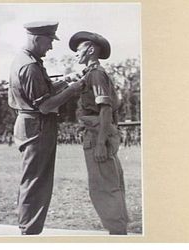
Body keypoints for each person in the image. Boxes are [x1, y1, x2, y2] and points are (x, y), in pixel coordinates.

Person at [8, 21, 85, 235]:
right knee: (35, 182)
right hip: (37, 127)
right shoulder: (30, 66)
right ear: (37, 38)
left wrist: (66, 81)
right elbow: (45, 105)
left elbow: (43, 92)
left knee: (34, 180)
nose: (51, 46)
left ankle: (29, 229)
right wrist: (73, 89)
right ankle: (29, 232)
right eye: (50, 40)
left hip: (33, 125)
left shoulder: (28, 60)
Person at [69, 31, 129, 235]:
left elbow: (105, 109)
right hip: (97, 134)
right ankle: (118, 230)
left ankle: (117, 233)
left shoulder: (95, 74)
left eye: (78, 50)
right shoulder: (91, 73)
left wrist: (102, 142)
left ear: (91, 50)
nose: (75, 54)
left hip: (97, 136)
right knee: (108, 183)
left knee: (104, 186)